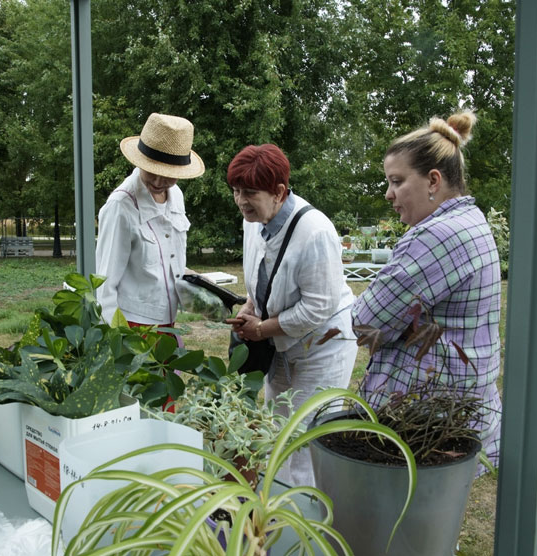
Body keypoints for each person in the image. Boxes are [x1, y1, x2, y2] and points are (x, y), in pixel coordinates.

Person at [350, 110, 502, 469]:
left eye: (396, 181)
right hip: (456, 413)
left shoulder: (437, 236)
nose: (389, 194)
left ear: (433, 180)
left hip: (423, 425)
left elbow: (366, 325)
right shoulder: (470, 221)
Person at [227, 144, 358, 487]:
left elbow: (319, 305)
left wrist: (263, 329)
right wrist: (249, 310)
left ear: (279, 192)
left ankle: (302, 526)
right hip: (282, 346)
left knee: (303, 442)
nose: (241, 201)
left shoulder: (315, 231)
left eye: (250, 193)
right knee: (275, 435)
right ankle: (275, 523)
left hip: (323, 345)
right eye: (236, 191)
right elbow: (259, 277)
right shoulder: (253, 222)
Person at [95, 113, 204, 328]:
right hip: (131, 325)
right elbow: (104, 284)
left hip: (169, 321)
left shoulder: (177, 196)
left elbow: (170, 261)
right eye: (152, 170)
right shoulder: (121, 206)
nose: (158, 181)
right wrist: (116, 338)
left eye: (168, 175)